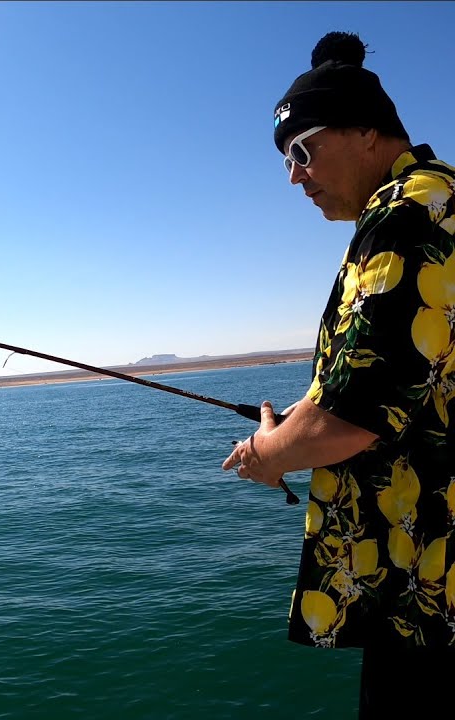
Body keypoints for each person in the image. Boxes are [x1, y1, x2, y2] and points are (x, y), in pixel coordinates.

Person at [221, 31, 453, 718]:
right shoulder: (434, 203)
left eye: (303, 149)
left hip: (429, 586)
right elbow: (386, 376)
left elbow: (352, 418)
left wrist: (270, 455)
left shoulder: (407, 219)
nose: (295, 175)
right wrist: (293, 425)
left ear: (368, 130)